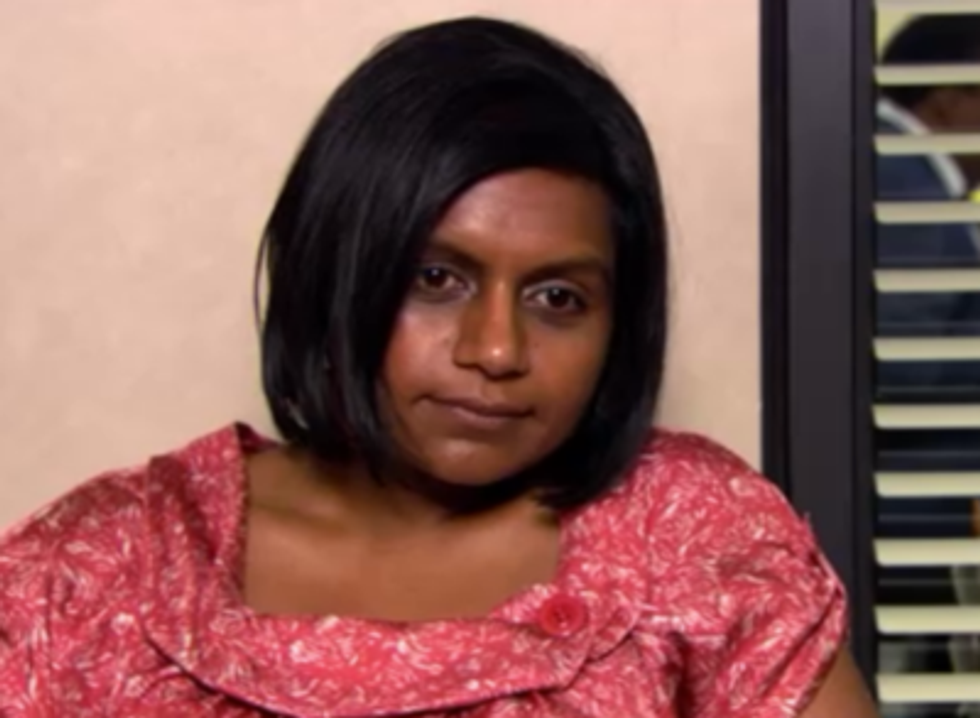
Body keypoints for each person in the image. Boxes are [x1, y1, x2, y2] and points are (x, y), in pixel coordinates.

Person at [0, 17, 877, 717]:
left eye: (558, 298)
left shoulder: (694, 539)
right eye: (436, 279)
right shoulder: (96, 570)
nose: (494, 351)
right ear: (332, 267)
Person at [875, 16, 980, 704]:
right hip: (910, 534)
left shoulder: (911, 179)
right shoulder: (900, 186)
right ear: (948, 96)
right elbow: (896, 369)